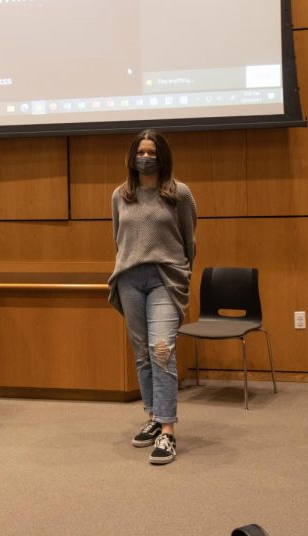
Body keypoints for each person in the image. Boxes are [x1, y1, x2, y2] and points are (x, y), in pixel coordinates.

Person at [108, 129, 197, 465]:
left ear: (163, 157)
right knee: (143, 354)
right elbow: (119, 239)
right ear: (132, 157)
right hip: (130, 278)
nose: (145, 157)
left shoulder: (180, 194)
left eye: (152, 152)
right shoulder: (120, 195)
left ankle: (168, 432)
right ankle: (153, 416)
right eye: (140, 152)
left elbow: (189, 241)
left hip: (165, 277)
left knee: (162, 351)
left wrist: (181, 277)